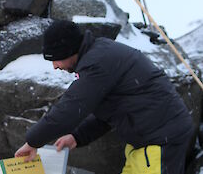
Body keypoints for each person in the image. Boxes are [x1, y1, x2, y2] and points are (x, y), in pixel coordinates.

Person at [15, 20, 193, 174]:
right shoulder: (98, 55)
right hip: (144, 143)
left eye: (56, 59)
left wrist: (33, 142)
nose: (55, 66)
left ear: (68, 50)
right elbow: (110, 111)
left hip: (159, 142)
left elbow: (69, 109)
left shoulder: (98, 63)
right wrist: (78, 136)